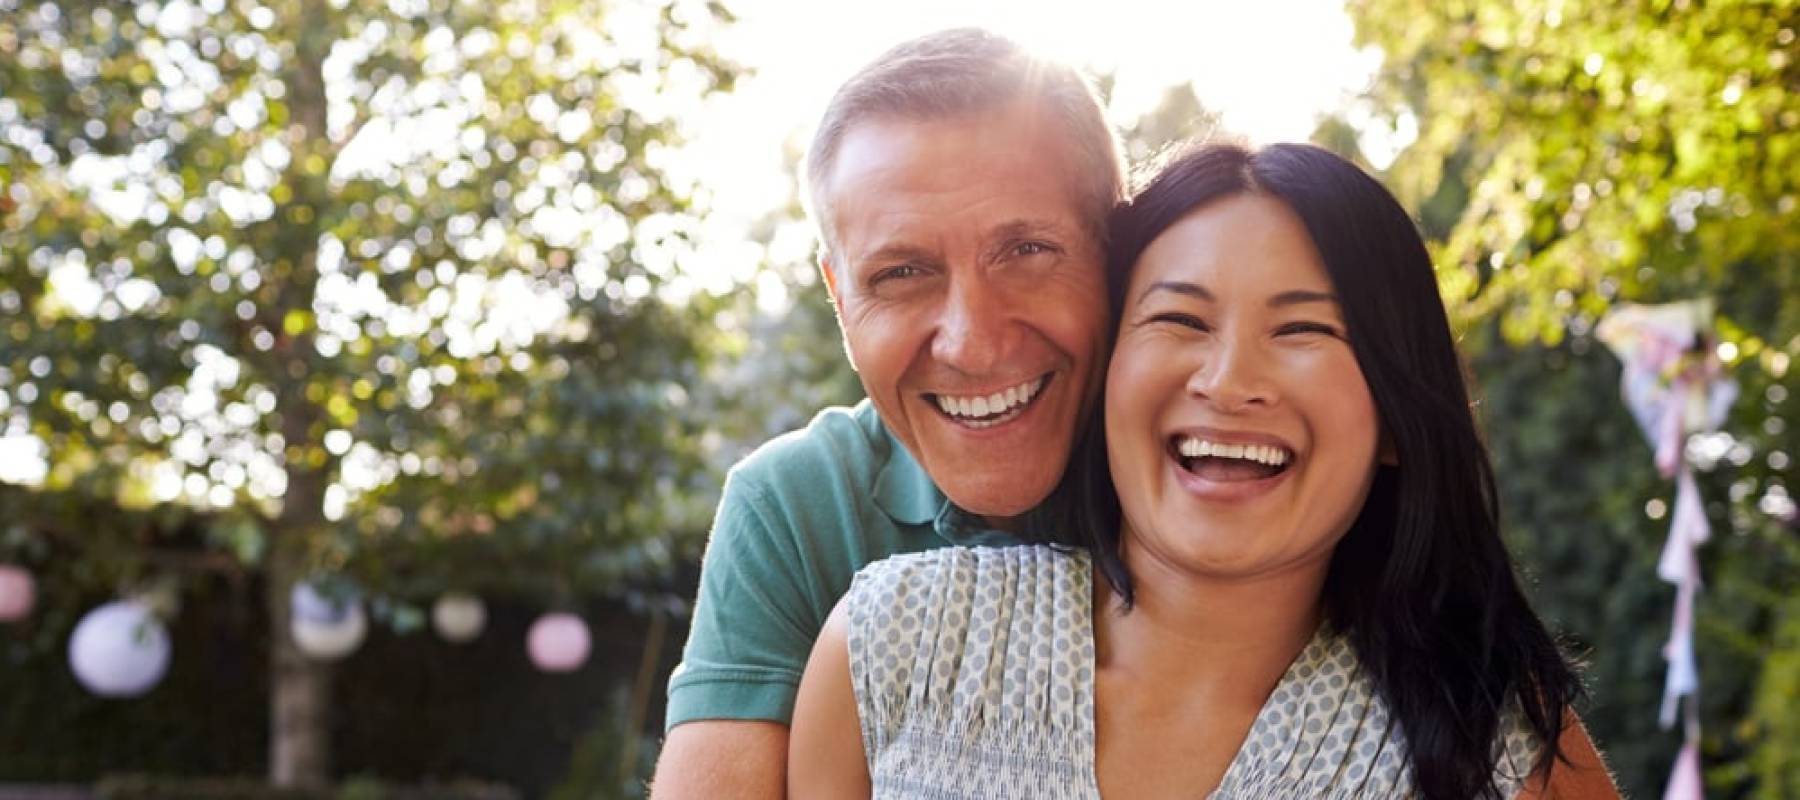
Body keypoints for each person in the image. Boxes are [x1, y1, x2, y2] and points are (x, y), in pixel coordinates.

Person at [787, 142, 1620, 798]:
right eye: (1180, 319)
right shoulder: (896, 644)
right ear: (1108, 376)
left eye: (1303, 332)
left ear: (1398, 417)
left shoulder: (1498, 750)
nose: (1227, 382)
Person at [650, 29, 1126, 797]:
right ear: (841, 301)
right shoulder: (797, 506)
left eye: (1028, 251)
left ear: (1117, 251)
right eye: (902, 272)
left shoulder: (1222, 475)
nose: (973, 344)